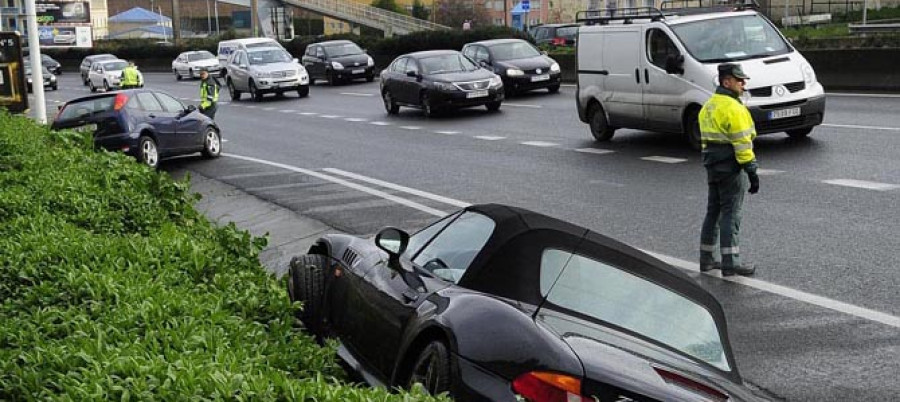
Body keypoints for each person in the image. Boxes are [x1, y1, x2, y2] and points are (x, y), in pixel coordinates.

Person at [698, 63, 759, 277]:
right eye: (739, 80)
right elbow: (742, 144)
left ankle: (706, 259)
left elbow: (705, 141)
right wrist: (752, 171)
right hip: (731, 167)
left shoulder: (708, 106)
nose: (743, 84)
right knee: (731, 214)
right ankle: (730, 263)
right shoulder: (734, 108)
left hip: (712, 166)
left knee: (713, 212)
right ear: (727, 82)